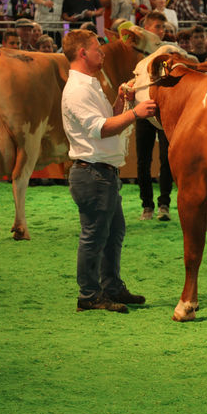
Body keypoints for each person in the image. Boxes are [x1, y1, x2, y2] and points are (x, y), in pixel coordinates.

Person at [61, 29, 156, 312]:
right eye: (96, 49)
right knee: (94, 236)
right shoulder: (78, 89)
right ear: (82, 54)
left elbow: (106, 119)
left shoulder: (88, 84)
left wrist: (121, 100)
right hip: (93, 173)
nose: (101, 53)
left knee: (112, 233)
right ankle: (89, 296)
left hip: (101, 173)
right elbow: (100, 129)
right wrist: (135, 113)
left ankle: (111, 287)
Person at [137, 11, 173, 220]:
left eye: (163, 28)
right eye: (158, 27)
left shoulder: (168, 51)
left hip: (164, 111)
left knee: (166, 159)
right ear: (147, 28)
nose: (161, 31)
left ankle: (164, 204)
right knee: (143, 160)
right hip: (143, 111)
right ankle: (147, 206)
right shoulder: (137, 53)